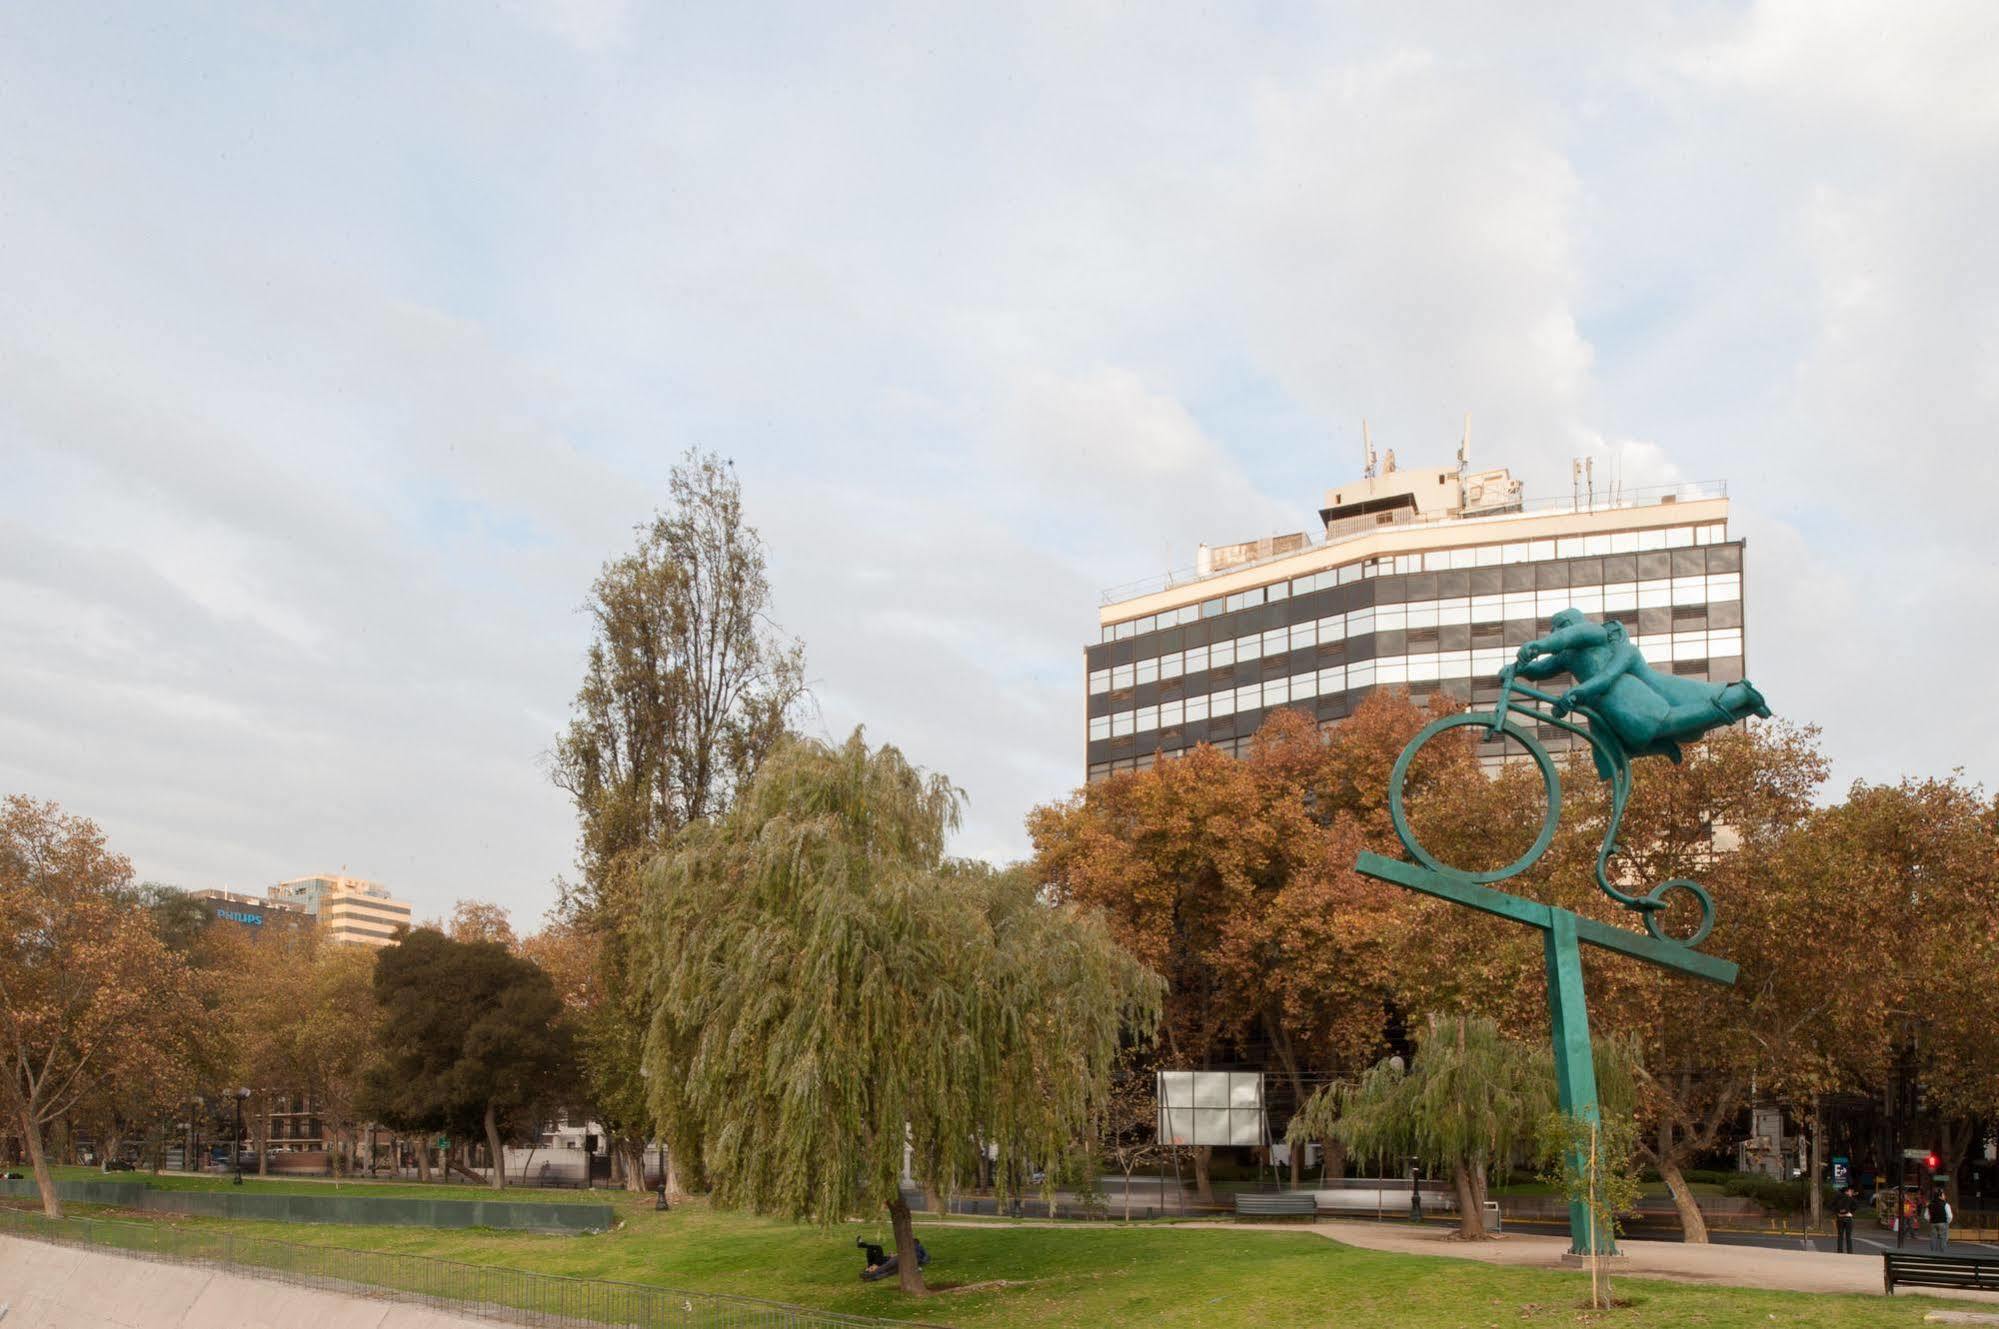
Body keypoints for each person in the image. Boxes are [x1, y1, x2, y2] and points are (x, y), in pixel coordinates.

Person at [1929, 1187, 1953, 1251]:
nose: (1944, 1196)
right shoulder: (1945, 1204)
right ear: (1940, 1196)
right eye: (1943, 1195)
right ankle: (1942, 1252)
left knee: (1933, 1238)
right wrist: (1947, 1222)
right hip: (1943, 1222)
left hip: (1933, 1223)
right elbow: (1950, 1216)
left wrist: (1930, 1220)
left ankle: (1933, 1252)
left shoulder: (1930, 1204)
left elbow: (1926, 1215)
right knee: (1943, 1238)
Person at [1835, 1186, 1857, 1254]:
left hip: (1840, 1218)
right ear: (1846, 1192)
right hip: (1848, 1218)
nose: (1851, 1192)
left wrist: (1838, 1213)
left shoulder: (1837, 1198)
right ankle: (1849, 1252)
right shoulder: (1850, 1198)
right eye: (1850, 1191)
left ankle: (1839, 1251)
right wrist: (1850, 1211)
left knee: (1840, 1235)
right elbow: (1856, 1206)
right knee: (1848, 1236)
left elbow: (1830, 1206)